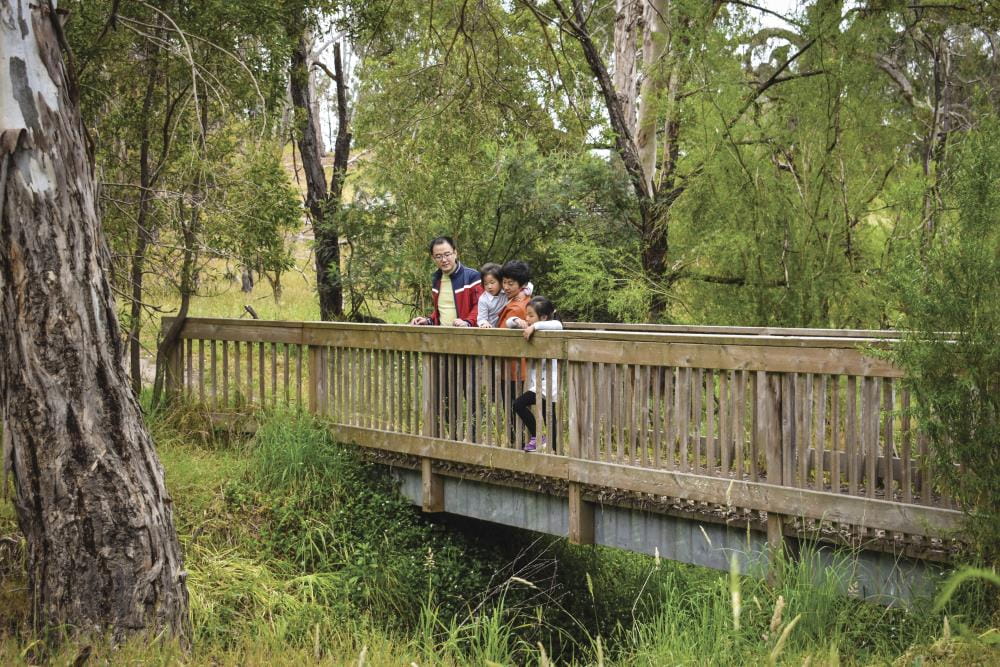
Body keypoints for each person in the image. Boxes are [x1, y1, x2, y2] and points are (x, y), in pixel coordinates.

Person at [509, 296, 562, 452]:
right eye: (527, 315)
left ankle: (543, 441)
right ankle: (547, 444)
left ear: (543, 317)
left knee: (519, 404)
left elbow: (557, 324)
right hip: (538, 382)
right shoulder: (530, 327)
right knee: (548, 416)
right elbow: (508, 322)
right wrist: (518, 322)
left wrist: (534, 326)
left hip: (548, 382)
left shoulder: (549, 328)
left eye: (531, 315)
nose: (527, 318)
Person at [410, 236, 482, 327]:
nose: (443, 260)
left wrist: (467, 322)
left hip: (466, 336)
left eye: (447, 254)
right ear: (433, 258)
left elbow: (480, 307)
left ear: (455, 253)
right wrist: (428, 320)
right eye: (438, 256)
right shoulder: (437, 279)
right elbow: (441, 310)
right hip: (442, 336)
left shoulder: (472, 277)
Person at [477, 262, 534, 328]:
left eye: (510, 284)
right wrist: (484, 324)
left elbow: (528, 284)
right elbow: (481, 318)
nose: (506, 287)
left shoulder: (515, 306)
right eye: (504, 282)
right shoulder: (484, 299)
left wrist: (524, 292)